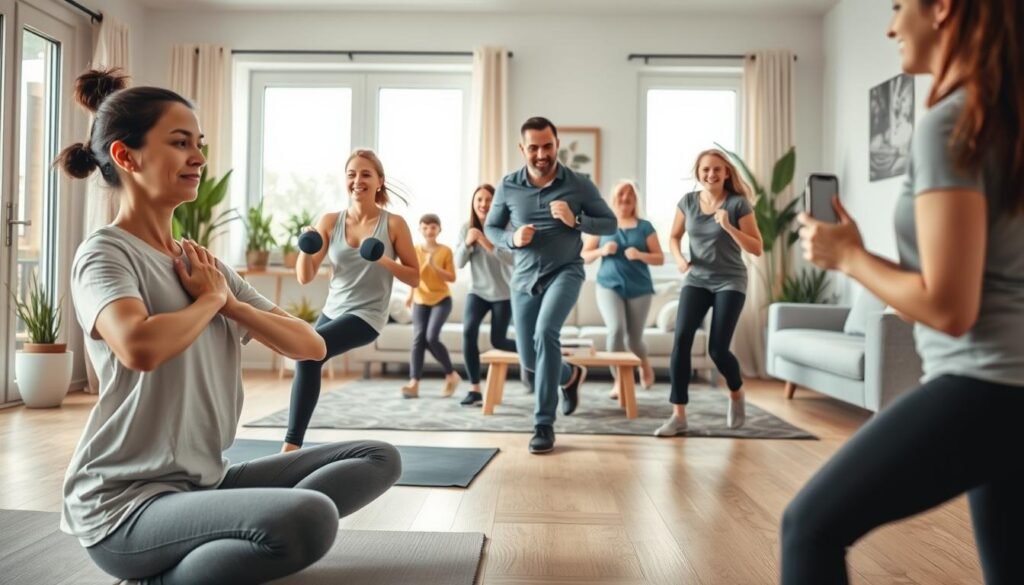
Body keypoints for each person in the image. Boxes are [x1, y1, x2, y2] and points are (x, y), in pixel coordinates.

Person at [57, 70, 402, 585]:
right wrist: (213, 300)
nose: (199, 157)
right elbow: (139, 346)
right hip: (126, 505)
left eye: (200, 144)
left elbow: (310, 345)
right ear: (126, 157)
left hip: (204, 483)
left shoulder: (204, 266)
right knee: (309, 516)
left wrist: (230, 304)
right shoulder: (105, 254)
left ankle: (219, 532)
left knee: (377, 457)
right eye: (180, 143)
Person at [781, 1, 1024, 583]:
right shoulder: (1004, 119)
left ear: (941, 8)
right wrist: (861, 255)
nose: (891, 26)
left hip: (986, 384)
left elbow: (949, 306)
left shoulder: (953, 123)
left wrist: (850, 257)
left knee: (808, 528)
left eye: (897, 7)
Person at [485, 116, 617, 454]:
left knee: (546, 333)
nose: (541, 154)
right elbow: (491, 228)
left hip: (566, 271)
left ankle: (543, 424)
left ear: (556, 144)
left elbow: (610, 223)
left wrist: (577, 220)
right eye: (533, 147)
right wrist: (512, 237)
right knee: (530, 358)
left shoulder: (579, 184)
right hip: (524, 278)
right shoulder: (508, 185)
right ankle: (570, 375)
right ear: (522, 149)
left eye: (547, 146)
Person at [286, 148, 419, 450]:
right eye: (352, 174)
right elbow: (305, 276)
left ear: (379, 181)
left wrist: (383, 259)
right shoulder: (331, 221)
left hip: (367, 315)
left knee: (308, 356)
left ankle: (290, 447)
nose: (358, 180)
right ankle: (292, 447)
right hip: (333, 311)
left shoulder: (394, 224)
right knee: (307, 359)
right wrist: (306, 248)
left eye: (366, 174)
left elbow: (414, 276)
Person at [656, 148, 764, 437]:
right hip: (697, 279)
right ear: (698, 173)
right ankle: (678, 415)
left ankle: (736, 392)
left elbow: (756, 247)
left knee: (717, 348)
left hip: (730, 281)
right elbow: (674, 236)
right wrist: (678, 258)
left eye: (717, 169)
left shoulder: (738, 205)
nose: (711, 174)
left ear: (726, 172)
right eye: (705, 169)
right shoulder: (688, 202)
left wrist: (729, 227)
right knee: (681, 341)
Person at [581, 180, 664, 399]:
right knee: (616, 330)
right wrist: (601, 252)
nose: (625, 198)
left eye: (630, 194)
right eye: (621, 194)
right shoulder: (602, 224)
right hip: (609, 286)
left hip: (640, 288)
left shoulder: (645, 227)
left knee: (633, 340)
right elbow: (584, 256)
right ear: (613, 198)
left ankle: (644, 363)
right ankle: (619, 380)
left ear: (635, 199)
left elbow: (660, 258)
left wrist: (640, 255)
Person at [454, 184, 519, 406]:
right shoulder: (467, 228)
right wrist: (467, 243)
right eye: (479, 200)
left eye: (488, 200)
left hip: (503, 293)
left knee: (498, 340)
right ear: (474, 203)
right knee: (469, 333)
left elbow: (512, 259)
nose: (483, 204)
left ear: (496, 203)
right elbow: (458, 263)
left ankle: (533, 349)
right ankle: (474, 389)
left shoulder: (505, 228)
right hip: (477, 292)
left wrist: (486, 242)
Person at [401, 214, 461, 398]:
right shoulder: (414, 250)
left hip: (442, 300)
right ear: (420, 229)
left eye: (433, 227)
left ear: (439, 229)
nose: (429, 230)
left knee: (432, 337)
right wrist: (410, 295)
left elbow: (452, 278)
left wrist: (434, 266)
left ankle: (450, 375)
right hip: (420, 299)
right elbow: (413, 276)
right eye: (425, 227)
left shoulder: (445, 251)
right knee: (419, 339)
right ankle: (414, 384)